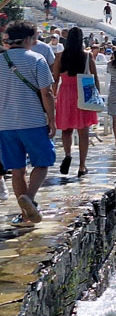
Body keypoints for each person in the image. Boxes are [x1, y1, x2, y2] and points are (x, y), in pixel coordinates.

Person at [0, 21, 56, 226]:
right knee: (42, 163)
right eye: (33, 39)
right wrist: (52, 119)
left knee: (17, 169)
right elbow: (47, 93)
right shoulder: (37, 59)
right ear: (26, 40)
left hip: (5, 125)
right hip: (32, 121)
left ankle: (26, 216)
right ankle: (29, 198)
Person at [52, 27, 99, 178]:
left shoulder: (60, 56)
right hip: (82, 93)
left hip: (65, 93)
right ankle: (82, 165)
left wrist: (53, 96)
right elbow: (94, 76)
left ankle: (67, 154)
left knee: (66, 128)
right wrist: (96, 94)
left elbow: (55, 78)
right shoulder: (87, 56)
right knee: (83, 131)